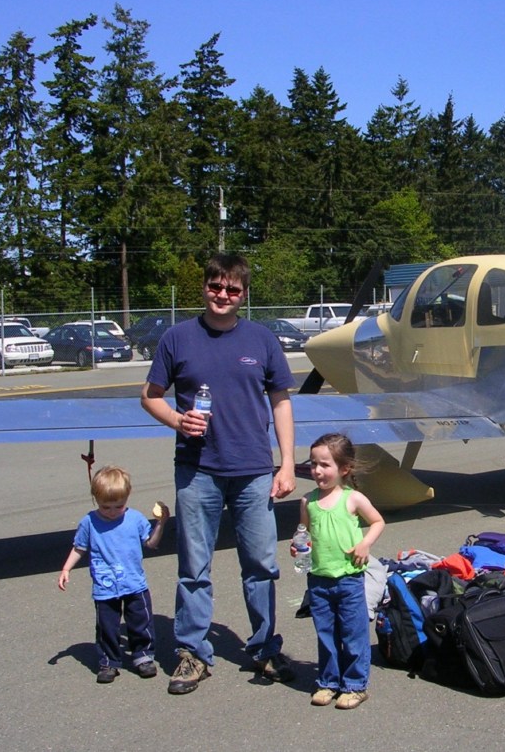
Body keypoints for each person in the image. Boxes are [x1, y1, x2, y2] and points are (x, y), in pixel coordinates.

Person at [141, 253, 298, 696]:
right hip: (198, 470)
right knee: (194, 566)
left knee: (261, 565)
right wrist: (176, 420)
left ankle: (265, 647)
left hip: (252, 471)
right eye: (216, 287)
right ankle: (192, 654)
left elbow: (281, 402)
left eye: (232, 290)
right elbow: (150, 396)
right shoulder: (177, 338)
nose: (223, 296)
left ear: (244, 294)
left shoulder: (263, 340)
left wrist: (286, 463)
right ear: (205, 287)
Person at [57, 465, 169, 684]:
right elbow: (79, 547)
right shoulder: (89, 522)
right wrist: (66, 568)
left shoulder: (135, 519)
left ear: (127, 498)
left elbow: (151, 544)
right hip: (105, 587)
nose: (111, 511)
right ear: (96, 500)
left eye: (118, 506)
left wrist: (161, 524)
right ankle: (108, 661)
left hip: (134, 584)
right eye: (105, 506)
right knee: (107, 627)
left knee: (141, 622)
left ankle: (143, 656)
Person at [298, 433, 386, 710]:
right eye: (313, 464)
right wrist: (298, 545)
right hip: (319, 579)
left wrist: (364, 543)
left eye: (325, 465)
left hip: (349, 579)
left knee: (353, 635)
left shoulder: (353, 499)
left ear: (344, 468)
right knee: (326, 634)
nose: (317, 471)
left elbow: (377, 522)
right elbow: (305, 533)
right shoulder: (307, 501)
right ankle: (328, 682)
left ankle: (355, 685)